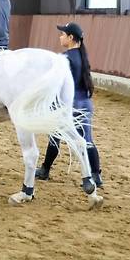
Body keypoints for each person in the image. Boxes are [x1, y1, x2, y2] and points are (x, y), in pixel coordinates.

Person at [35, 22, 103, 187]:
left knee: (55, 137)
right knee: (87, 140)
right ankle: (96, 175)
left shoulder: (64, 58)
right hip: (85, 103)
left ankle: (45, 170)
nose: (60, 37)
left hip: (68, 104)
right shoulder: (82, 56)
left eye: (63, 34)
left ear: (71, 37)